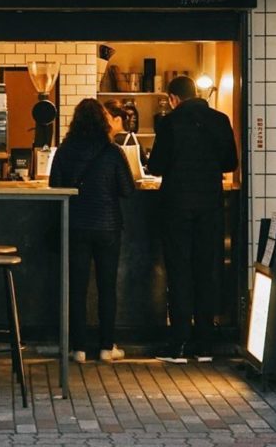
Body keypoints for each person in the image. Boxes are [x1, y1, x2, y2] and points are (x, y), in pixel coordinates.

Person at [147, 74, 238, 363]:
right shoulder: (220, 120)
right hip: (210, 207)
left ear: (173, 98)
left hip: (176, 206)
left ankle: (179, 342)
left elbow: (157, 167)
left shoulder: (170, 123)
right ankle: (205, 343)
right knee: (207, 269)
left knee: (179, 271)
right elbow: (230, 163)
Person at [49, 97, 135, 363]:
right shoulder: (112, 152)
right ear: (102, 121)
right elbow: (128, 190)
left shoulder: (64, 150)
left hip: (76, 224)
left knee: (77, 287)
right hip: (108, 227)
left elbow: (55, 186)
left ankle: (79, 349)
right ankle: (107, 347)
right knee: (106, 286)